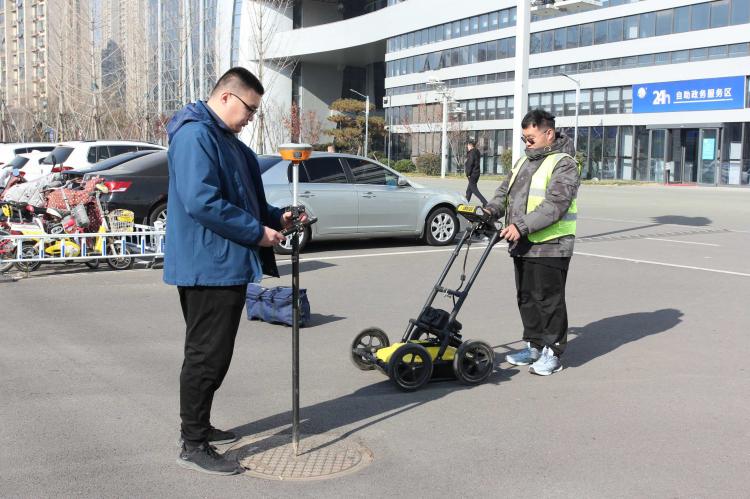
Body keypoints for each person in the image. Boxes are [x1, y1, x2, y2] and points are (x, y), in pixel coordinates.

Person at [164, 67, 302, 475]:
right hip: (207, 265)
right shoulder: (195, 136)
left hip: (225, 263)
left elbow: (249, 202)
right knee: (207, 355)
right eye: (250, 109)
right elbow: (201, 202)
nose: (250, 118)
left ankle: (200, 425)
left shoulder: (230, 144)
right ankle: (193, 444)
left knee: (214, 354)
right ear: (226, 97)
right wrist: (257, 233)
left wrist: (281, 217)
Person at [484, 109, 580, 376]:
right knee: (526, 297)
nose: (527, 143)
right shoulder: (523, 161)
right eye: (524, 139)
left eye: (531, 138)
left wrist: (521, 226)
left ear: (548, 133)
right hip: (523, 242)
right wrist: (489, 210)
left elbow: (556, 205)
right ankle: (534, 345)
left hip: (551, 244)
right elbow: (504, 192)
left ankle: (553, 352)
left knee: (548, 299)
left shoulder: (564, 163)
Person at [464, 139, 487, 206]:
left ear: (470, 145)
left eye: (468, 145)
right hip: (476, 173)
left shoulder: (471, 153)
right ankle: (466, 202)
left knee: (474, 190)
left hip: (472, 174)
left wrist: (468, 174)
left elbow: (470, 164)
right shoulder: (477, 152)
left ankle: (485, 202)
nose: (467, 147)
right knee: (469, 190)